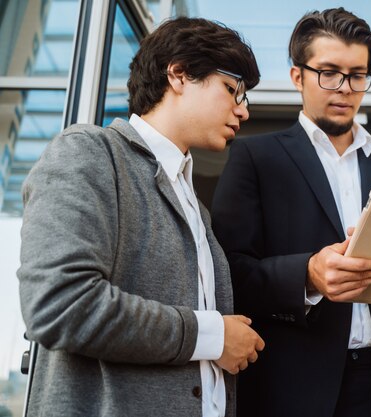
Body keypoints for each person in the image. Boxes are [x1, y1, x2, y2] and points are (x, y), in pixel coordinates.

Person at [17, 17, 265, 417]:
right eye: (233, 89)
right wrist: (212, 335)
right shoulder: (90, 153)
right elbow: (59, 304)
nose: (243, 110)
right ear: (179, 74)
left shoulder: (193, 201)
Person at [211, 7, 371, 417]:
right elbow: (228, 273)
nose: (345, 88)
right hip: (296, 385)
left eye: (358, 75)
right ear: (297, 76)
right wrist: (307, 275)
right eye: (329, 72)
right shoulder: (255, 157)